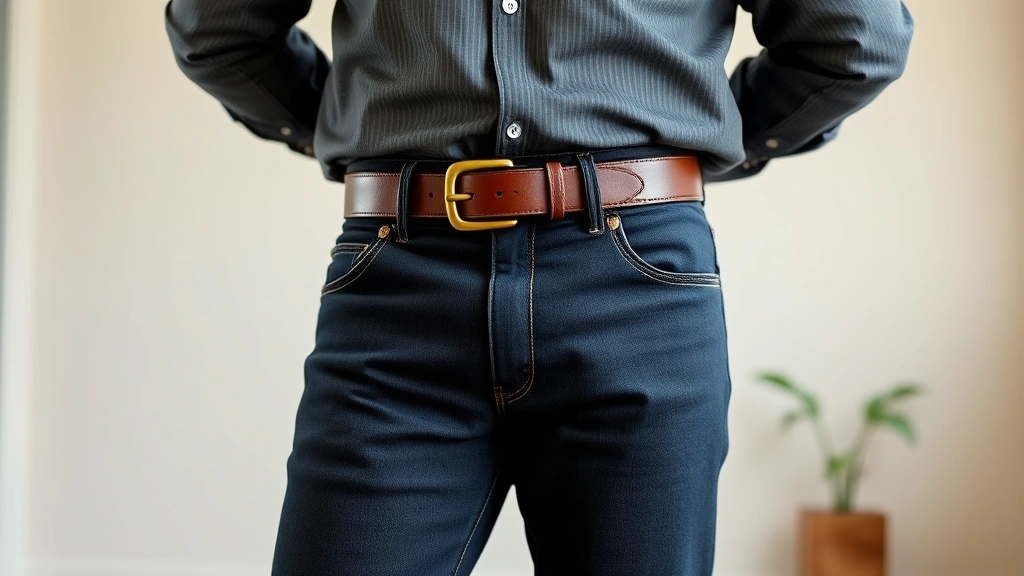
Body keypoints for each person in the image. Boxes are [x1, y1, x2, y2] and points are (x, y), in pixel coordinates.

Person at [164, 0, 913, 574]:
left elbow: (855, 37)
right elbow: (856, 39)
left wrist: (355, 132)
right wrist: (674, 144)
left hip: (541, 270)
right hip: (516, 281)